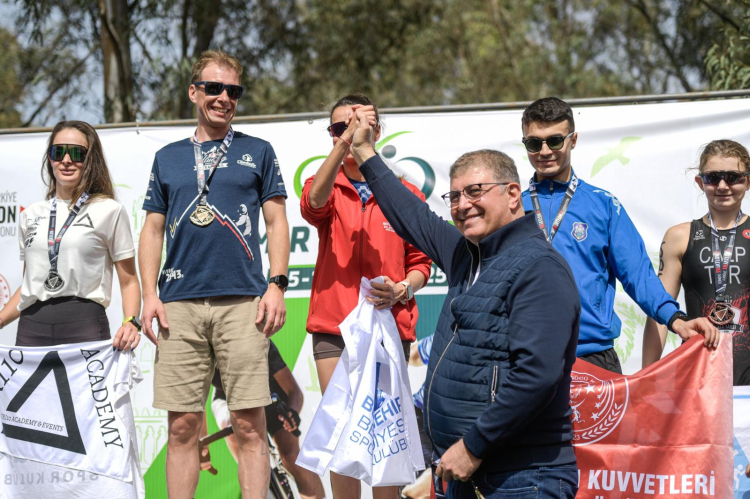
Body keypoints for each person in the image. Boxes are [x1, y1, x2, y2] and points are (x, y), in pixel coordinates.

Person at [350, 104, 582, 498]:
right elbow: (412, 216)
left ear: (513, 195)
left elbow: (537, 375)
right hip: (464, 474)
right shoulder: (466, 254)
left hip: (522, 478)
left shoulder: (540, 268)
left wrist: (473, 445)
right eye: (455, 196)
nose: (462, 204)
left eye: (475, 191)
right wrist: (363, 152)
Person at [138, 50, 290, 499]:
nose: (224, 98)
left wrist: (277, 285)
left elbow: (277, 222)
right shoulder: (167, 158)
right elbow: (152, 230)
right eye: (214, 88)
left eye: (233, 91)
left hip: (243, 303)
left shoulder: (258, 151)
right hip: (178, 304)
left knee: (250, 423)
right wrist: (149, 295)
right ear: (194, 92)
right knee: (183, 426)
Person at [519, 97, 718, 373]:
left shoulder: (603, 205)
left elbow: (638, 275)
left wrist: (675, 318)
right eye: (533, 143)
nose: (544, 151)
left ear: (573, 140)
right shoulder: (512, 208)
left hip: (592, 356)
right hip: (525, 356)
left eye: (554, 141)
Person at [299, 93, 431, 499]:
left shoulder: (403, 192)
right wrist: (347, 143)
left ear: (378, 130)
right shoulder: (325, 183)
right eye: (340, 126)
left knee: (384, 434)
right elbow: (312, 205)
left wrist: (402, 289)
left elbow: (421, 263)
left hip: (388, 329)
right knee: (342, 431)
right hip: (335, 328)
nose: (351, 131)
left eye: (360, 124)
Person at [0, 120, 141, 351]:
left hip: (84, 326)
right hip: (31, 330)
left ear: (90, 159)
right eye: (58, 152)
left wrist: (131, 322)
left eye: (76, 153)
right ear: (50, 159)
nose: (66, 160)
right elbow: (28, 286)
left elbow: (129, 281)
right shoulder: (31, 214)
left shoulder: (110, 210)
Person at [642, 140, 750, 383]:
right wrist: (646, 378)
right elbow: (659, 310)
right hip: (696, 377)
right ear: (700, 182)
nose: (722, 186)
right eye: (713, 178)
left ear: (747, 181)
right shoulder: (679, 236)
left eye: (733, 177)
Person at [209, 342, 326, 499]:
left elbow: (294, 391)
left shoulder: (259, 341)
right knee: (231, 426)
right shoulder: (201, 347)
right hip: (227, 399)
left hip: (269, 393)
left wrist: (292, 414)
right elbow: (194, 405)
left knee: (290, 454)